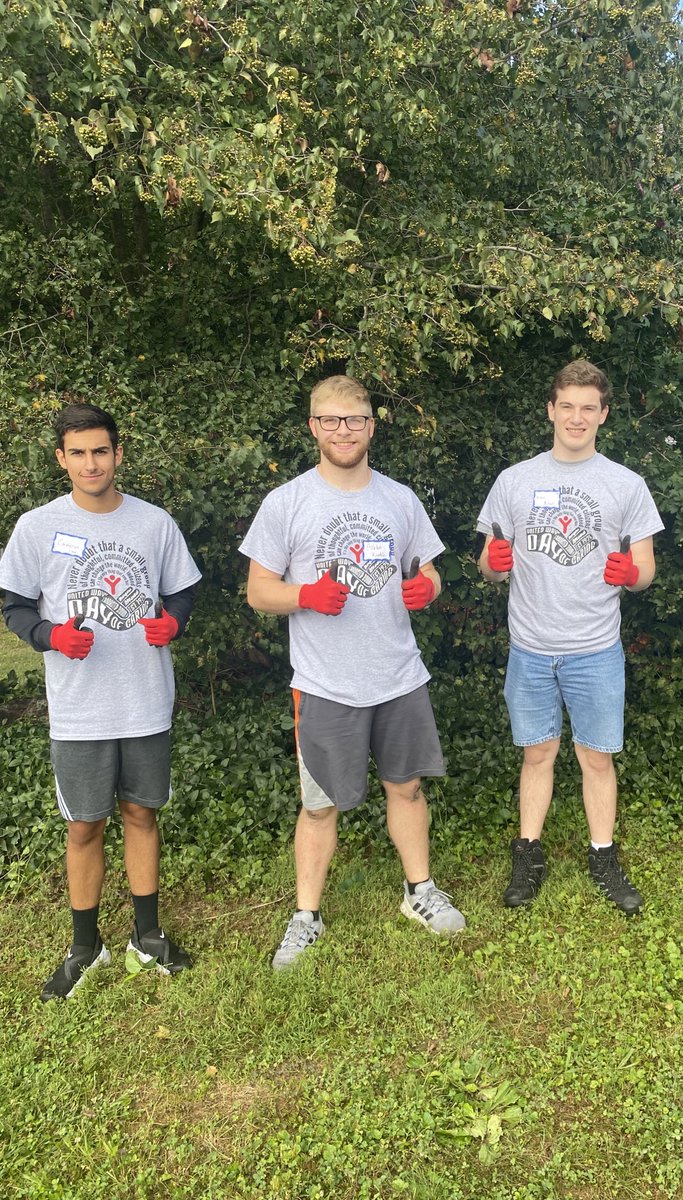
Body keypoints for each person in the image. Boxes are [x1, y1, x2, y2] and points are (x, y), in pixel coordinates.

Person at [240, 374, 465, 969]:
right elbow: (259, 591)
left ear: (371, 426)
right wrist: (306, 596)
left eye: (356, 420)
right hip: (324, 683)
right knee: (319, 806)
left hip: (398, 675)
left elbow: (430, 572)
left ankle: (420, 892)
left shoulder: (399, 499)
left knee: (407, 788)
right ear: (314, 426)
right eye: (332, 420)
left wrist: (427, 588)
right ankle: (305, 917)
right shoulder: (287, 502)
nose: (344, 431)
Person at [0, 402, 201, 1000]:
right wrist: (49, 636)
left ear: (118, 454)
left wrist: (175, 623)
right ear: (61, 458)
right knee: (85, 824)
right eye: (79, 453)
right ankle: (85, 948)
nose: (92, 463)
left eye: (101, 451)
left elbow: (182, 591)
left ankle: (148, 936)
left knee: (142, 814)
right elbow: (14, 605)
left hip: (144, 699)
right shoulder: (37, 527)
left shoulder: (153, 523)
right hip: (79, 708)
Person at [477, 359, 664, 914]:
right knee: (537, 754)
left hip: (595, 648)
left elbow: (647, 569)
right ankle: (528, 854)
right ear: (550, 410)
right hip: (530, 647)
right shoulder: (515, 480)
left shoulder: (625, 484)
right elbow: (487, 565)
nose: (577, 417)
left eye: (589, 407)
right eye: (568, 406)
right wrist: (492, 560)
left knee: (597, 758)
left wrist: (632, 575)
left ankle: (602, 855)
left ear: (603, 414)